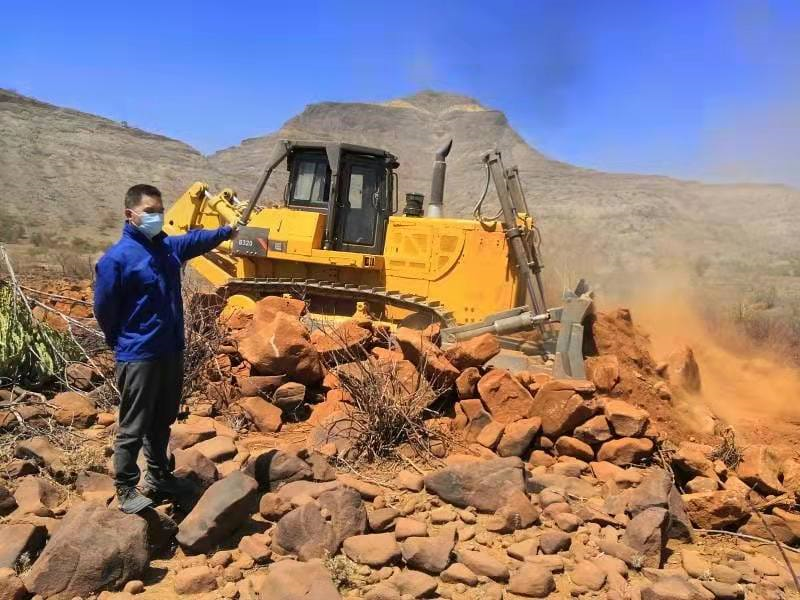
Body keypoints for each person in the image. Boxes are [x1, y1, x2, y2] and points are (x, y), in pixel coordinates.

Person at [94, 183, 233, 513]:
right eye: (150, 212)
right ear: (130, 215)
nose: (158, 217)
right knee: (133, 426)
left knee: (162, 420)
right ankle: (126, 487)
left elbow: (196, 240)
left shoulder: (166, 248)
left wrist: (228, 230)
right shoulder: (117, 259)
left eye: (161, 211)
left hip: (170, 350)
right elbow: (104, 308)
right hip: (138, 354)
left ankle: (159, 476)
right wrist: (121, 340)